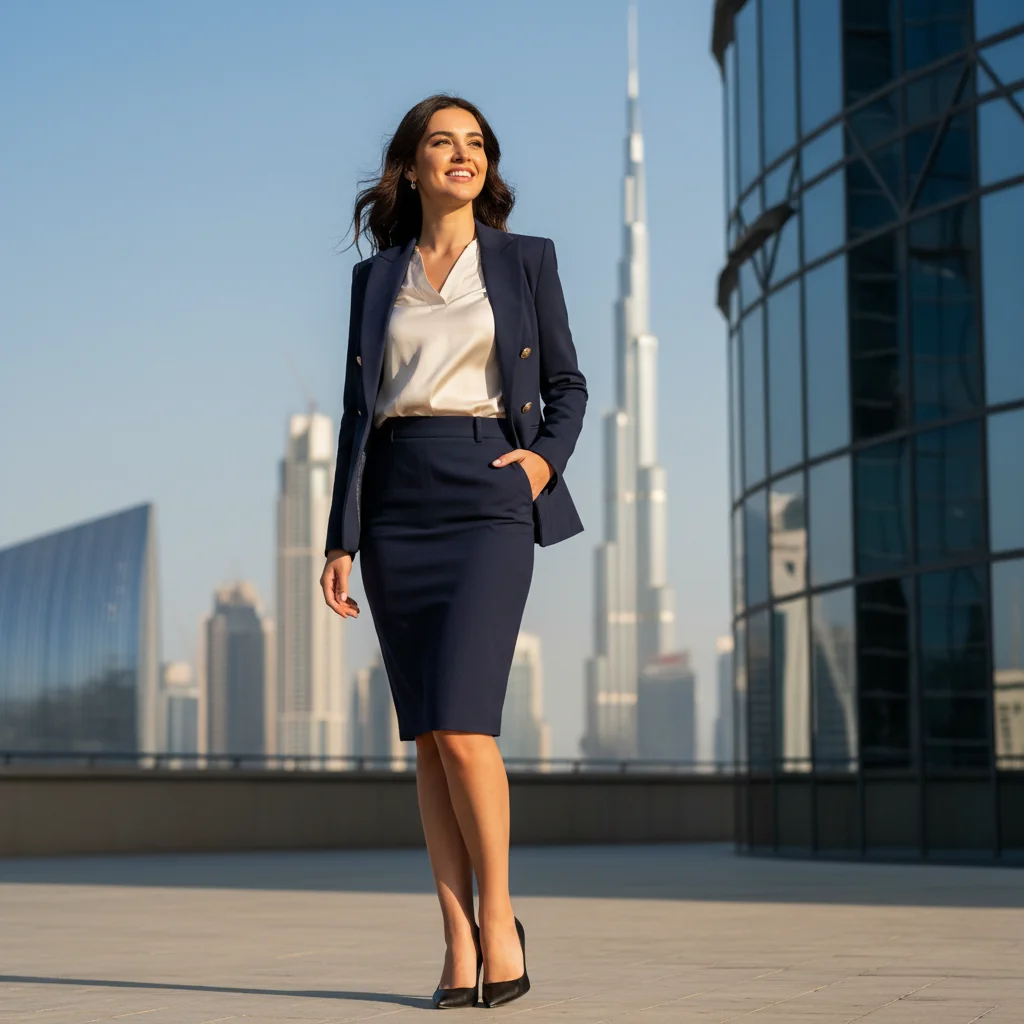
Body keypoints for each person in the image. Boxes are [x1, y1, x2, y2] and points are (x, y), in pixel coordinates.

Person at [319, 93, 587, 1009]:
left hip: (487, 491)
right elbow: (357, 414)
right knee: (429, 738)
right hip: (396, 500)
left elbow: (566, 384)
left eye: (476, 144)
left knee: (467, 727)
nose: (463, 155)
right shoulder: (376, 279)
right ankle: (456, 937)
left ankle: (500, 919)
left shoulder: (524, 259)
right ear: (413, 165)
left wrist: (542, 465)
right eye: (444, 142)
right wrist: (342, 536)